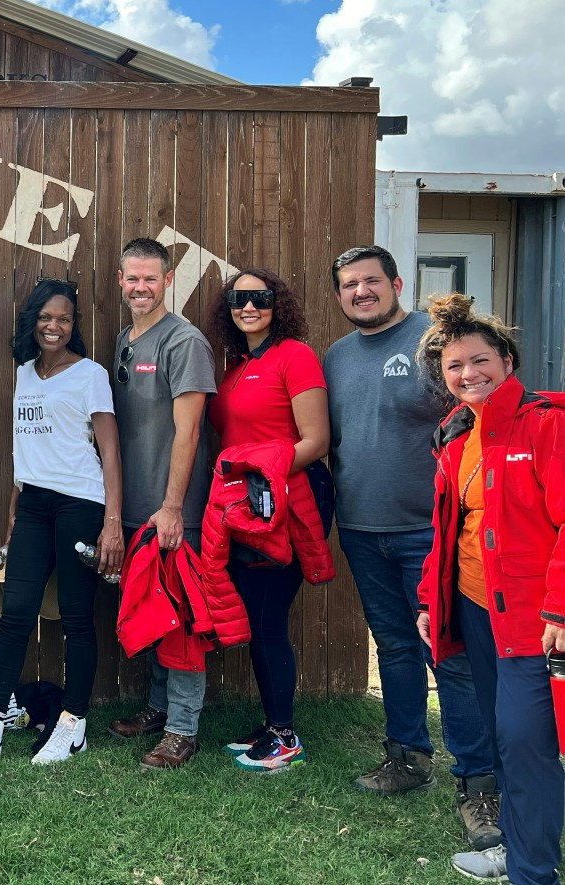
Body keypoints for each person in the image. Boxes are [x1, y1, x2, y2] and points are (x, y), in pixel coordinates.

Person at [325, 246, 498, 848]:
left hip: (432, 531)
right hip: (362, 529)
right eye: (349, 285)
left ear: (396, 283)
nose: (361, 292)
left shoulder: (434, 342)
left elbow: (476, 415)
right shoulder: (338, 357)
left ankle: (480, 785)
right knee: (394, 644)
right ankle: (407, 755)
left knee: (448, 654)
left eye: (371, 281)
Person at [416, 294, 565, 885]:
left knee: (529, 746)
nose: (468, 374)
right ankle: (518, 847)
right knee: (504, 738)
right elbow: (448, 531)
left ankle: (534, 872)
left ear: (506, 358)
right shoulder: (457, 436)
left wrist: (560, 608)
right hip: (477, 611)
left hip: (533, 620)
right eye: (454, 366)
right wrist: (432, 600)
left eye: (479, 361)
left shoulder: (546, 422)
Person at [0, 278, 123, 767]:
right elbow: (24, 450)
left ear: (73, 325)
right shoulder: (25, 372)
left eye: (64, 318)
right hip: (33, 506)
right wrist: (13, 511)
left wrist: (112, 522)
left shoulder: (90, 374)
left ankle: (73, 724)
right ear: (33, 321)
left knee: (75, 616)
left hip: (81, 505)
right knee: (16, 611)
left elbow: (109, 453)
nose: (55, 325)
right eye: (46, 317)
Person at [205, 268, 332, 772]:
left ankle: (285, 736)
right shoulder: (234, 367)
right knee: (257, 618)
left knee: (267, 618)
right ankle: (273, 722)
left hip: (291, 499)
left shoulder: (295, 356)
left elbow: (316, 440)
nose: (249, 306)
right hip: (246, 505)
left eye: (260, 297)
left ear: (277, 304)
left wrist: (267, 475)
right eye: (239, 299)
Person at [105, 238, 218, 770]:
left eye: (151, 278)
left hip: (173, 511)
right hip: (134, 507)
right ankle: (157, 708)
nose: (140, 287)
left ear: (168, 281)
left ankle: (182, 729)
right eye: (132, 278)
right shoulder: (126, 339)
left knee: (181, 620)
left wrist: (173, 507)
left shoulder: (184, 341)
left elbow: (189, 431)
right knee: (154, 611)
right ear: (120, 280)